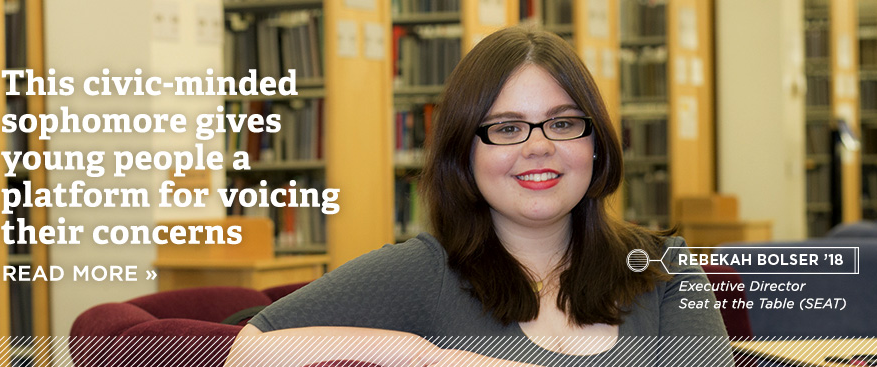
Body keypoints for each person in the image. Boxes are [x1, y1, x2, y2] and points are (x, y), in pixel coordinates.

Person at [224, 25, 733, 367]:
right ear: (464, 153)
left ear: (596, 142)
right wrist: (428, 355)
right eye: (507, 128)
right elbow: (248, 351)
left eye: (562, 123)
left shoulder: (663, 268)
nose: (539, 147)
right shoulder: (423, 272)